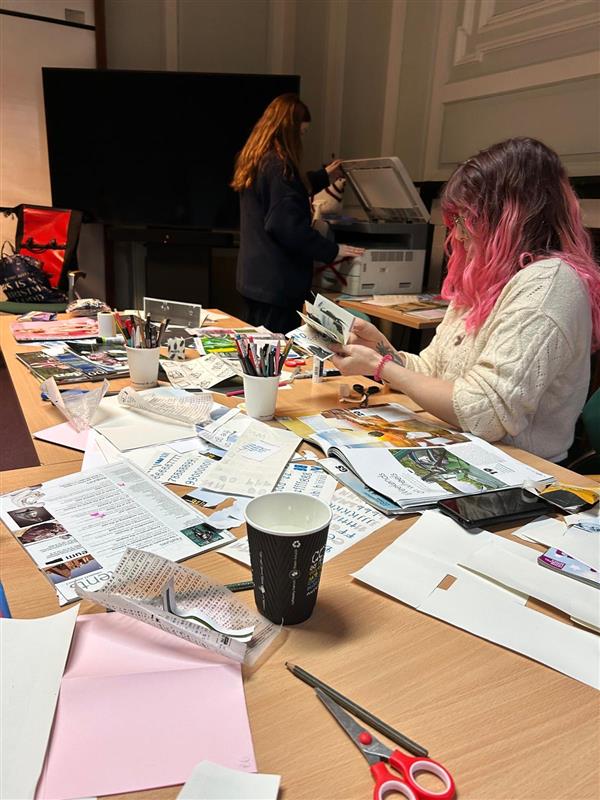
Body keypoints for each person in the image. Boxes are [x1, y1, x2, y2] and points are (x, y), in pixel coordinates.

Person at [331, 138, 600, 463]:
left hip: (518, 471)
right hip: (454, 445)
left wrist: (381, 367)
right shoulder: (487, 277)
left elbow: (483, 412)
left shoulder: (549, 284)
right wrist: (382, 351)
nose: (458, 235)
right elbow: (432, 371)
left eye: (467, 220)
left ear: (510, 217)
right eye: (456, 220)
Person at [231, 94, 363, 333]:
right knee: (274, 358)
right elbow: (287, 226)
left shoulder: (257, 160)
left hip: (255, 279)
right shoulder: (279, 166)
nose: (302, 139)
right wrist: (333, 250)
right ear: (289, 131)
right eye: (301, 133)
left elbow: (283, 196)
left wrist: (323, 177)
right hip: (277, 285)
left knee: (256, 348)